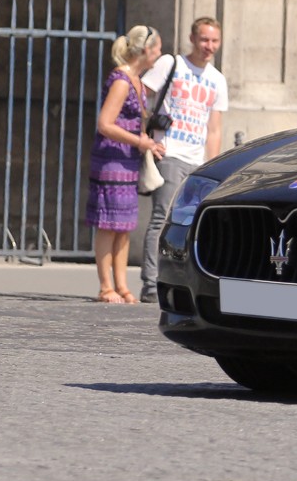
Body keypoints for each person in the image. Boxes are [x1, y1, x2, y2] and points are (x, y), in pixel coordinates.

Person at [140, 17, 228, 303]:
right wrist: (147, 138)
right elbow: (141, 97)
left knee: (191, 225)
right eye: (204, 40)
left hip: (196, 161)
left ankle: (182, 283)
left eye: (214, 41)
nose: (209, 46)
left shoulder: (217, 80)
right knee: (161, 219)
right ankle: (151, 284)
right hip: (170, 153)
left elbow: (214, 128)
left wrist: (211, 167)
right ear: (192, 39)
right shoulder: (171, 64)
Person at [85, 26, 165, 303]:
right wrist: (139, 142)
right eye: (157, 49)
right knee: (108, 223)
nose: (159, 54)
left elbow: (130, 124)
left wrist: (149, 143)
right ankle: (106, 286)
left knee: (124, 224)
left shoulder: (137, 80)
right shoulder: (122, 80)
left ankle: (122, 285)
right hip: (112, 159)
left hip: (127, 158)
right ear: (145, 50)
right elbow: (105, 123)